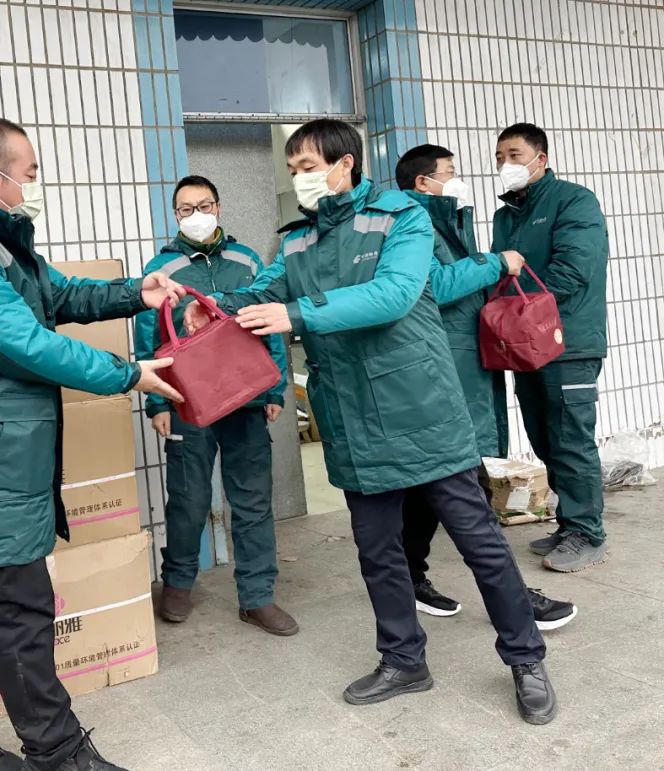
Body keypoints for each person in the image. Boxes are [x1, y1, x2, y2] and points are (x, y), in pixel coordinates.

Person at [184, 119, 556, 725]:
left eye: (309, 167)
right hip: (352, 418)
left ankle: (525, 657)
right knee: (379, 553)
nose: (300, 179)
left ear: (345, 163)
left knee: (480, 544)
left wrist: (297, 313)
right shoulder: (298, 240)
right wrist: (215, 308)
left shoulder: (400, 217)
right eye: (293, 169)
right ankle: (404, 660)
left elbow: (396, 294)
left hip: (420, 409)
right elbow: (263, 289)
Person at [0, 116, 186, 771]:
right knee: (19, 610)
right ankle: (58, 753)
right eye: (27, 174)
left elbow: (60, 294)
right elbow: (28, 344)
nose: (33, 185)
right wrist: (127, 374)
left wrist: (135, 294)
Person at [394, 144, 578, 631]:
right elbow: (430, 286)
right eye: (450, 172)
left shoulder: (444, 220)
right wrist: (494, 264)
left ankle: (408, 578)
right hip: (443, 374)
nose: (458, 179)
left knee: (429, 491)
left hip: (460, 369)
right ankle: (516, 602)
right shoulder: (413, 223)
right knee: (468, 494)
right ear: (423, 182)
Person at [133, 175, 297, 636]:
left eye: (204, 205)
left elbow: (267, 322)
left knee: (252, 498)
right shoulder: (161, 267)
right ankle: (178, 583)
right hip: (187, 401)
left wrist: (274, 389)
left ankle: (258, 596)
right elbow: (148, 336)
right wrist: (157, 403)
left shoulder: (247, 260)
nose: (197, 215)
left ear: (219, 207)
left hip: (245, 395)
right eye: (186, 209)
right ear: (175, 215)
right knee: (188, 498)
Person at [492, 123, 609, 573]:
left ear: (541, 158)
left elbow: (574, 268)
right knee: (544, 437)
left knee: (570, 439)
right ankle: (570, 524)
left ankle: (588, 533)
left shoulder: (573, 201)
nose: (506, 164)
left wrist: (515, 310)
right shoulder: (506, 216)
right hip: (525, 347)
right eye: (500, 157)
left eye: (515, 155)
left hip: (568, 344)